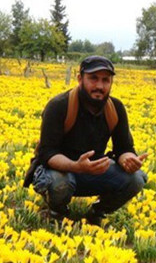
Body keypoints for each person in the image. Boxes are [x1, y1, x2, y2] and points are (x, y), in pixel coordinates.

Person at [23, 55, 148, 226]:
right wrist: (76, 166)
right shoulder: (59, 105)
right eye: (93, 78)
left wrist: (128, 159)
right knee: (59, 183)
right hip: (58, 171)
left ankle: (97, 212)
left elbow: (124, 148)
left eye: (105, 80)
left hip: (92, 171)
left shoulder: (115, 108)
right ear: (80, 79)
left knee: (136, 179)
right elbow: (47, 153)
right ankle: (56, 212)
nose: (99, 86)